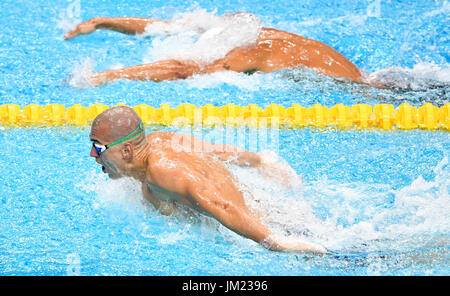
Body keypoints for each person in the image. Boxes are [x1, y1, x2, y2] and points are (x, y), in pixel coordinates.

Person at [89, 106, 328, 253]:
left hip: (264, 228)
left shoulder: (162, 173)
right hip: (267, 212)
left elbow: (219, 204)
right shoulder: (158, 139)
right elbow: (218, 151)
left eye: (98, 148)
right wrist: (260, 163)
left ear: (127, 150)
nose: (92, 155)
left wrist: (275, 242)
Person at [65, 13, 363, 86]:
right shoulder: (235, 27)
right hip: (362, 76)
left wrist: (110, 75)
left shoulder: (240, 54)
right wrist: (103, 22)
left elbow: (181, 69)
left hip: (356, 91)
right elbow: (163, 27)